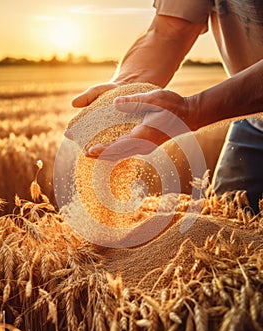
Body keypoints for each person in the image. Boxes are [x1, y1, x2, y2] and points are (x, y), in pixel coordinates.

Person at [71, 0, 263, 212]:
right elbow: (169, 30)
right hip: (255, 122)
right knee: (231, 223)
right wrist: (126, 86)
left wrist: (193, 111)